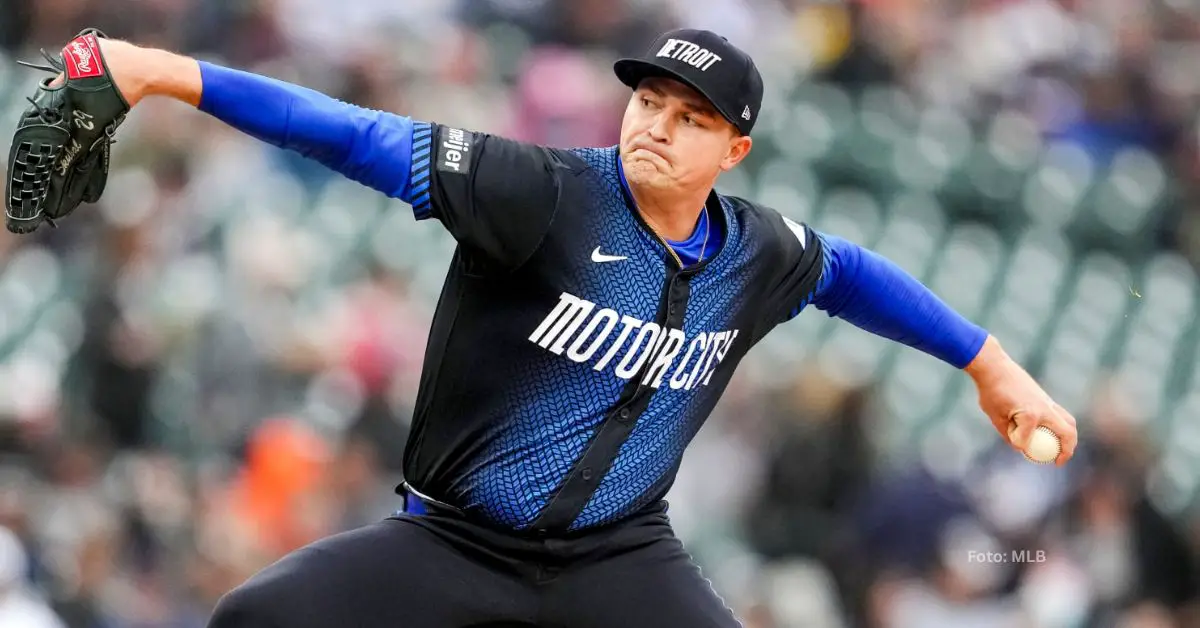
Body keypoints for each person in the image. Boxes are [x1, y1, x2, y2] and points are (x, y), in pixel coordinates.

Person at [42, 27, 1077, 627]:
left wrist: (988, 363)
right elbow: (356, 135)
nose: (655, 126)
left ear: (736, 152)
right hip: (454, 542)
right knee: (252, 621)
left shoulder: (758, 252)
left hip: (618, 559)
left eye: (691, 117)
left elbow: (852, 273)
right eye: (648, 100)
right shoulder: (540, 193)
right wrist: (156, 70)